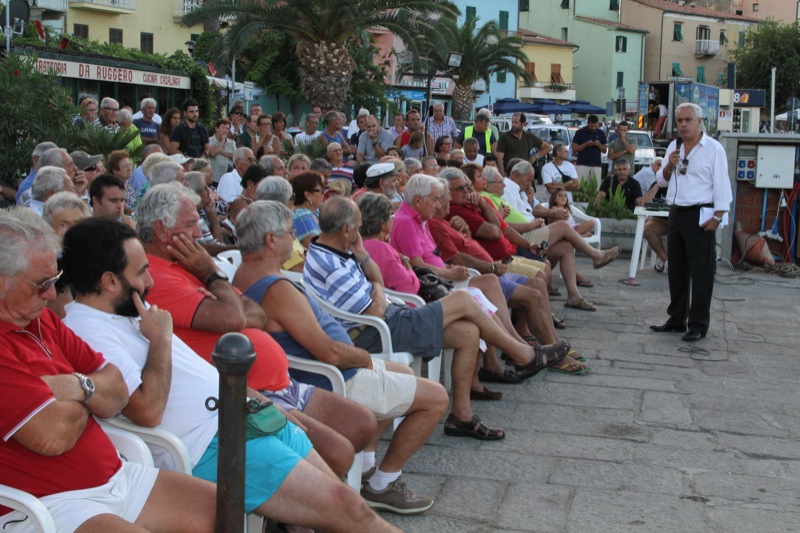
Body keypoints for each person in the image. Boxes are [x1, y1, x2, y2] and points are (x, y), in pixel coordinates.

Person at [60, 217, 398, 532]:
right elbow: (147, 410)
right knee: (348, 510)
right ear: (109, 281)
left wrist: (258, 400)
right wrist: (161, 337)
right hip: (207, 445)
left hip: (241, 417)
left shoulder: (131, 310)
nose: (150, 282)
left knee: (348, 507)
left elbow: (197, 371)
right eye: (142, 272)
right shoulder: (86, 329)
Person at [136, 183, 377, 478]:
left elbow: (256, 314)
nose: (199, 234)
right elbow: (236, 315)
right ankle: (300, 512)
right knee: (338, 453)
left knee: (362, 424)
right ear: (161, 231)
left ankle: (306, 503)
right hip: (241, 393)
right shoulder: (160, 277)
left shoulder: (186, 264)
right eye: (191, 224)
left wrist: (221, 294)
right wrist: (211, 275)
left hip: (280, 383)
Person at [0, 208, 217, 533]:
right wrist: (92, 396)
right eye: (42, 283)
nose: (51, 295)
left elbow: (115, 390)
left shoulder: (40, 318)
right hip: (47, 505)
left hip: (116, 474)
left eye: (55, 280)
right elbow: (54, 435)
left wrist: (75, 387)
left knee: (223, 508)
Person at [233, 200, 445, 514]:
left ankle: (368, 466)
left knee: (402, 370)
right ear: (270, 240)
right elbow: (329, 351)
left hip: (331, 368)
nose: (295, 242)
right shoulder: (274, 288)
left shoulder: (246, 276)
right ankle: (384, 484)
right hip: (332, 375)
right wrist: (363, 358)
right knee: (437, 397)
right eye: (290, 234)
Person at [304, 197, 571, 441]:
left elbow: (376, 279)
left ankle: (461, 417)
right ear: (345, 230)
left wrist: (362, 256)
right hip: (373, 330)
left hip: (388, 317)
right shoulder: (330, 265)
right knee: (466, 299)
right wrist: (377, 287)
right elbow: (373, 311)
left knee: (468, 332)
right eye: (358, 228)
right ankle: (524, 356)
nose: (361, 233)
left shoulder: (340, 249)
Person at [651, 102, 732, 342]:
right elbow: (662, 181)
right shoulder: (674, 147)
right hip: (676, 211)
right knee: (676, 270)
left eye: (688, 120)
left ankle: (698, 324)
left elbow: (722, 185)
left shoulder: (713, 149)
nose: (683, 125)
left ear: (699, 122)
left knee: (701, 272)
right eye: (679, 121)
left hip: (701, 214)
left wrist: (718, 217)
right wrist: (669, 166)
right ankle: (677, 318)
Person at [495, 112, 551, 176]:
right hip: (511, 174)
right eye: (512, 122)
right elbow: (499, 159)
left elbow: (548, 147)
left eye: (516, 123)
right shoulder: (504, 137)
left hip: (525, 173)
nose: (513, 125)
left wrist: (534, 157)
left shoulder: (529, 136)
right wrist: (503, 177)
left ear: (523, 124)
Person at [292, 171, 326, 248]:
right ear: (308, 195)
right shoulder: (302, 215)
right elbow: (316, 249)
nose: (323, 194)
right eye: (321, 190)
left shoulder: (314, 211)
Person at [571, 114, 607, 180]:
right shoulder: (579, 132)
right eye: (591, 126)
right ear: (588, 123)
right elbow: (574, 149)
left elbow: (604, 150)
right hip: (582, 164)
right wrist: (586, 144)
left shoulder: (601, 133)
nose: (593, 128)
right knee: (580, 186)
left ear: (598, 124)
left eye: (595, 126)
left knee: (595, 186)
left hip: (596, 164)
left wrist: (599, 144)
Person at [207, 117, 237, 183]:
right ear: (216, 128)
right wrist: (222, 142)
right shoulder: (209, 141)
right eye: (223, 128)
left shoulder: (232, 143)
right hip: (214, 177)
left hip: (227, 177)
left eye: (227, 129)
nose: (225, 130)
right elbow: (212, 153)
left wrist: (220, 152)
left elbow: (235, 156)